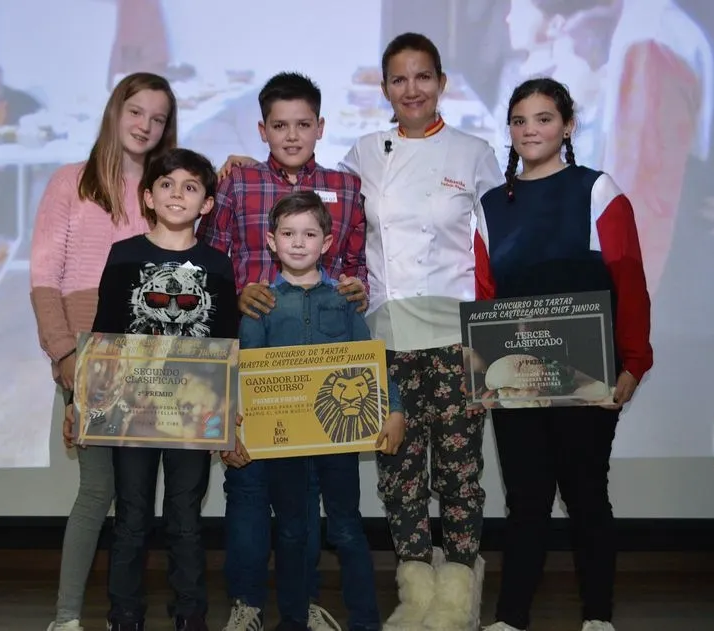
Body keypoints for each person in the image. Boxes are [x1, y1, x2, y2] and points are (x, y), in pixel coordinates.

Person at [216, 33, 502, 631]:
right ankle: (400, 594)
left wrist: (492, 343)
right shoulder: (362, 156)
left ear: (442, 82)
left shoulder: (472, 153)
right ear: (385, 89)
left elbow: (491, 251)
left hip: (441, 336)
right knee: (380, 482)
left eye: (423, 77)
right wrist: (234, 167)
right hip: (344, 342)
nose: (412, 89)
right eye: (399, 79)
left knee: (453, 474)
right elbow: (238, 254)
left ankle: (454, 599)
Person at [472, 78, 653, 631]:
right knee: (525, 503)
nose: (531, 130)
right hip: (515, 380)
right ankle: (510, 618)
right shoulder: (488, 206)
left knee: (585, 499)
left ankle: (598, 616)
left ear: (568, 126)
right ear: (509, 130)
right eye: (520, 120)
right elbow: (485, 296)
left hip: (588, 376)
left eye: (544, 119)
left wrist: (633, 364)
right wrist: (482, 374)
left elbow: (628, 280)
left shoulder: (598, 190)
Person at [196, 71, 368, 631]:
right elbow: (210, 265)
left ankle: (305, 600)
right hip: (251, 354)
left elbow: (355, 266)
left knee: (309, 494)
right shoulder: (239, 184)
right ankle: (246, 603)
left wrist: (356, 287)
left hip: (316, 364)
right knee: (246, 485)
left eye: (302, 124)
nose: (291, 135)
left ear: (320, 126)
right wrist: (234, 295)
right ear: (262, 128)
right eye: (279, 125)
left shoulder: (345, 188)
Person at [29, 72, 178, 631]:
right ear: (115, 112)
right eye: (136, 111)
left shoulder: (164, 188)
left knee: (141, 496)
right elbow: (45, 277)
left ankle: (126, 612)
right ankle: (66, 617)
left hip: (156, 353)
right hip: (89, 350)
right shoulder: (71, 181)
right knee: (98, 489)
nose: (145, 125)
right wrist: (65, 354)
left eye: (158, 118)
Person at [238, 191, 406, 631]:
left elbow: (371, 358)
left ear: (327, 243)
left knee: (347, 528)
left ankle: (366, 622)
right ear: (271, 241)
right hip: (283, 447)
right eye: (288, 234)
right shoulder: (260, 305)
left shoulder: (346, 300)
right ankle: (294, 620)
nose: (298, 242)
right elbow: (245, 377)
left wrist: (395, 408)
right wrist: (234, 428)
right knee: (291, 531)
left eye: (309, 234)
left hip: (339, 441)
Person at [88, 148, 239, 631]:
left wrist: (231, 408)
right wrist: (83, 402)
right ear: (148, 196)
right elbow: (104, 333)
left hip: (192, 413)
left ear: (207, 204)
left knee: (185, 519)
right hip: (130, 411)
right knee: (131, 517)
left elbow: (226, 341)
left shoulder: (218, 264)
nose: (178, 194)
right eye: (168, 185)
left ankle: (190, 615)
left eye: (191, 187)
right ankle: (124, 614)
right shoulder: (124, 254)